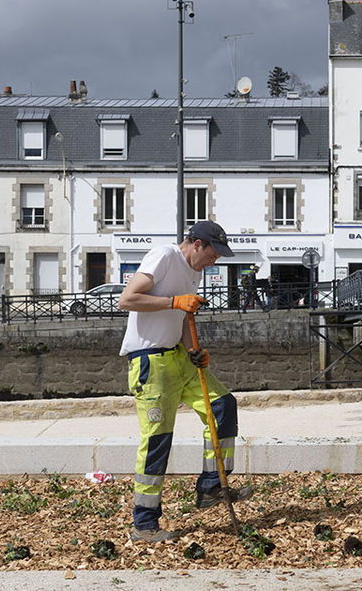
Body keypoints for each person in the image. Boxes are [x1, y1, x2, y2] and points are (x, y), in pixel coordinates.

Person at [117, 220, 253, 542]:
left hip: (178, 357)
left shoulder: (195, 272)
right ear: (196, 244)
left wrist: (194, 350)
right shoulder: (163, 256)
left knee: (223, 407)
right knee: (157, 441)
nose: (215, 260)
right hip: (149, 361)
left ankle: (211, 487)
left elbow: (181, 319)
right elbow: (127, 299)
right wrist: (175, 301)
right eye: (213, 253)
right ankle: (144, 525)